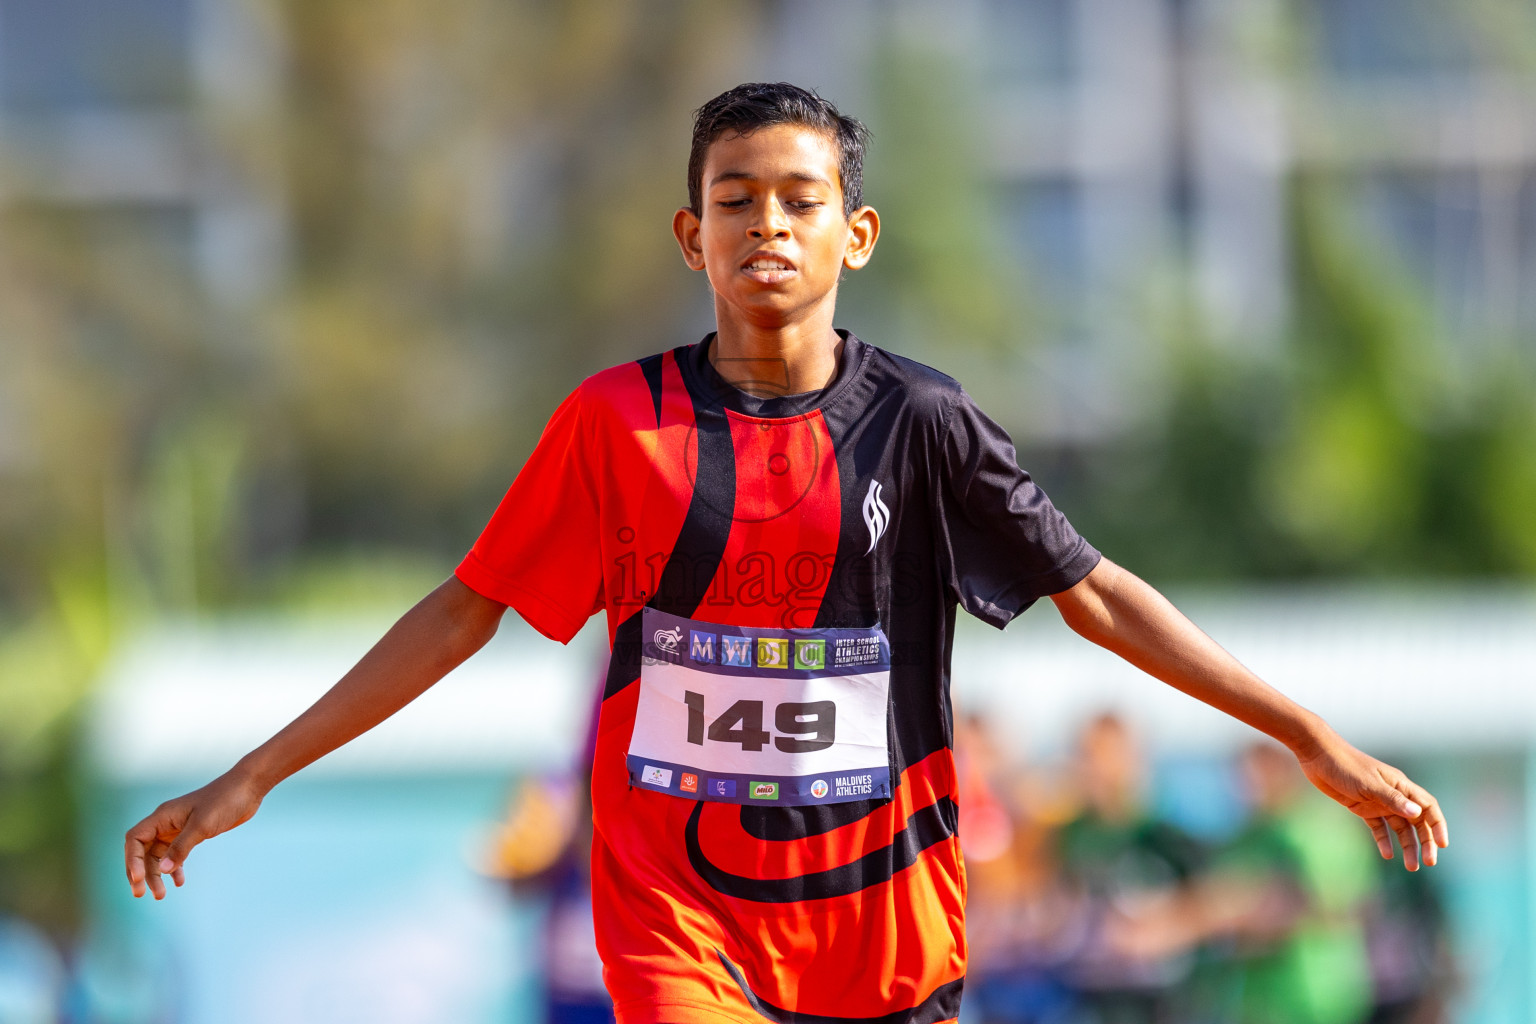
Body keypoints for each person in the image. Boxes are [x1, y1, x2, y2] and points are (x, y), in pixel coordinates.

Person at [124, 83, 1448, 1024]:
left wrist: (1309, 737)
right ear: (692, 235)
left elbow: (1097, 597)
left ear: (852, 236)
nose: (767, 223)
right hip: (674, 917)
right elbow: (461, 611)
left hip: (883, 922)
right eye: (733, 198)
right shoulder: (614, 424)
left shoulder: (923, 425)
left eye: (800, 200)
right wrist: (255, 774)